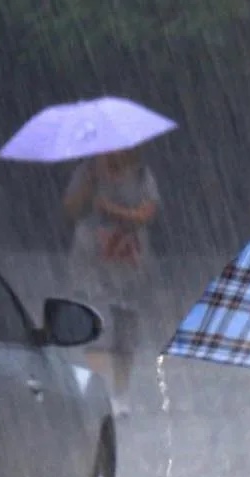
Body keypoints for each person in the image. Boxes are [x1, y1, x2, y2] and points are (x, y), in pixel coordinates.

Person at [62, 147, 160, 416]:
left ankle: (120, 394)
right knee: (96, 323)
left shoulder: (141, 175)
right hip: (91, 259)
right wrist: (91, 181)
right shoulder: (86, 172)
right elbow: (71, 209)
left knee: (126, 329)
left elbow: (146, 213)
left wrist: (112, 210)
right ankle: (98, 391)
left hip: (129, 261)